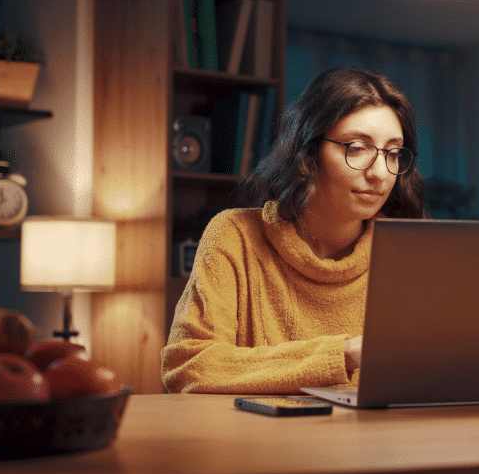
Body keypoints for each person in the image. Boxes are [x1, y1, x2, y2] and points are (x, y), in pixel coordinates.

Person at [161, 67, 426, 394]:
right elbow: (189, 366)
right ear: (308, 152)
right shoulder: (235, 235)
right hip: (260, 441)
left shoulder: (407, 249)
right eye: (357, 148)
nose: (380, 173)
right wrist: (342, 355)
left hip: (377, 441)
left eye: (393, 153)